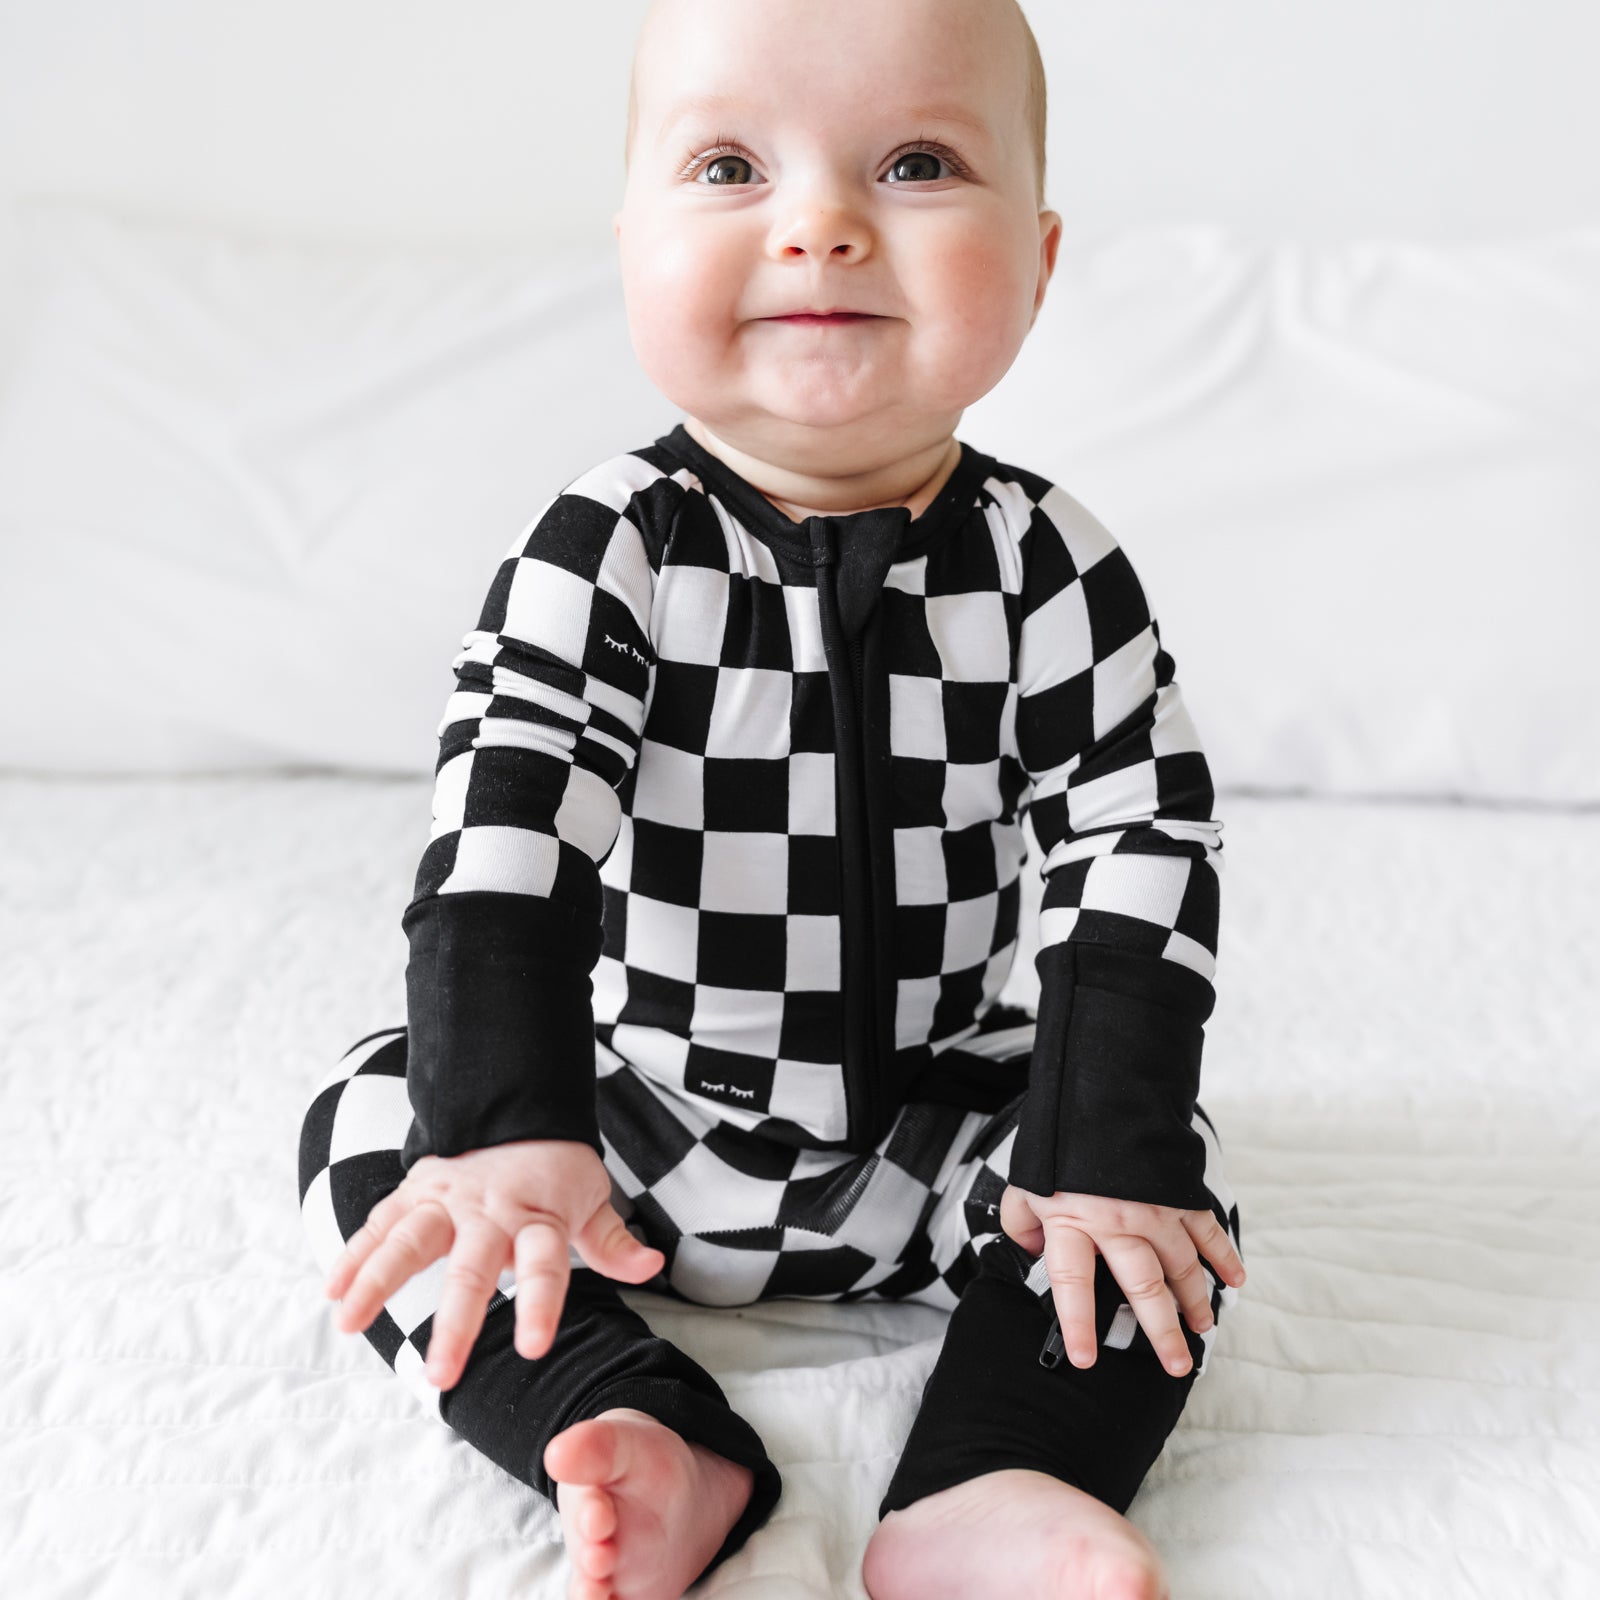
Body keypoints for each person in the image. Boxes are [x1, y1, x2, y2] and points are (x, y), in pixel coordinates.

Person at [296, 1, 1248, 1595]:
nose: (822, 224)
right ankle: (634, 1421)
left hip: (938, 1127)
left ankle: (996, 1474)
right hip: (630, 1128)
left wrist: (1092, 1147)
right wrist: (514, 1133)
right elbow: (507, 831)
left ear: (1041, 254)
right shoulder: (606, 550)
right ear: (630, 245)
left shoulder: (1047, 566)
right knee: (382, 1130)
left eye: (919, 162)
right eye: (731, 164)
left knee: (1158, 1177)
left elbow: (1137, 834)